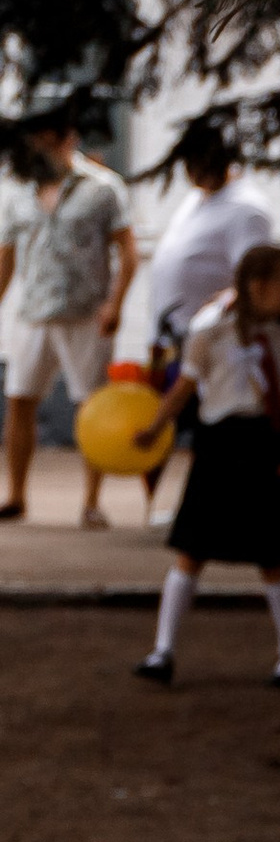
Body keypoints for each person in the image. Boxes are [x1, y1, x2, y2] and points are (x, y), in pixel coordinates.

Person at [134, 243, 280, 688]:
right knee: (190, 552)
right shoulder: (208, 339)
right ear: (258, 287)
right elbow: (183, 390)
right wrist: (155, 426)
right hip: (218, 449)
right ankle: (162, 651)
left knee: (272, 556)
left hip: (264, 449)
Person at [0, 104, 137, 527]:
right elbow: (6, 258)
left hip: (85, 314)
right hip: (34, 313)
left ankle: (91, 501)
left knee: (92, 408)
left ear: (65, 139)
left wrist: (115, 304)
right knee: (20, 401)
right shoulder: (20, 191)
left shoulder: (103, 188)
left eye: (43, 140)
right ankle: (16, 495)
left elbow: (127, 250)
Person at [142, 119, 274, 511]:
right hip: (171, 334)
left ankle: (207, 506)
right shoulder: (198, 199)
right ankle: (160, 506)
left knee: (203, 426)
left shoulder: (246, 209)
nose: (192, 174)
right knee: (160, 418)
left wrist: (215, 313)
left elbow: (251, 280)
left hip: (207, 340)